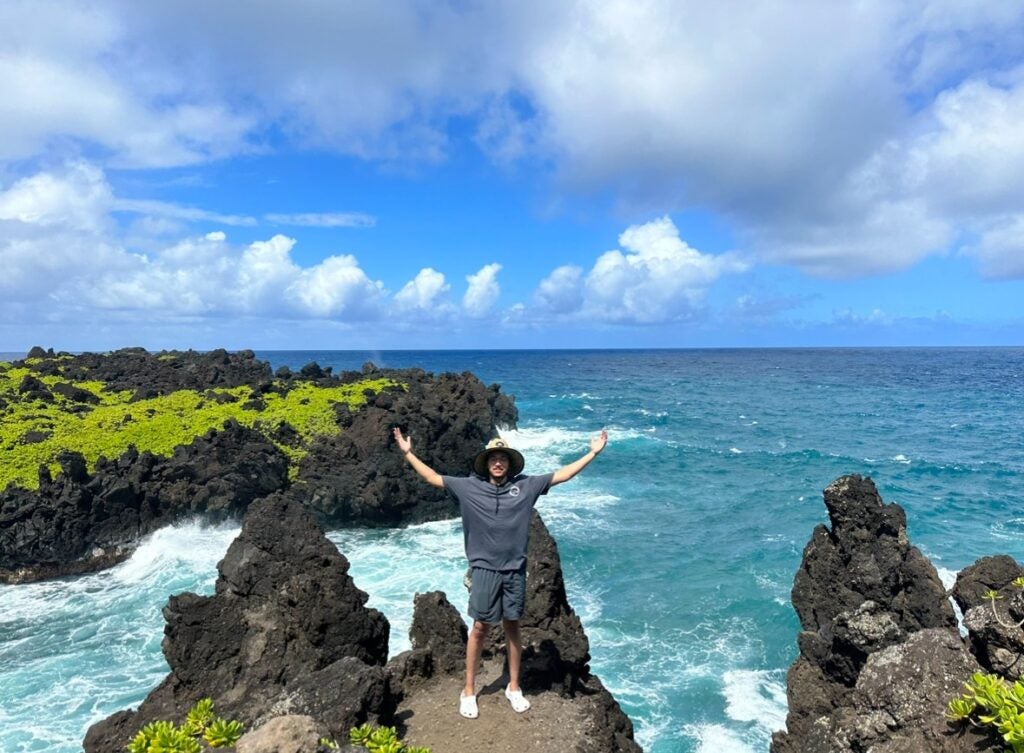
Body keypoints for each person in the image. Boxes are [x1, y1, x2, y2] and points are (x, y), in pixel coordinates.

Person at [392, 426, 608, 720]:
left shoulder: (526, 486)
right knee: (480, 628)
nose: (498, 462)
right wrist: (407, 453)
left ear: (509, 463)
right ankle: (468, 690)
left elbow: (563, 474)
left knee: (513, 627)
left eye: (503, 458)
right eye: (493, 458)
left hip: (515, 571)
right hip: (484, 569)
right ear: (486, 463)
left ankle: (513, 687)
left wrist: (592, 453)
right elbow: (432, 477)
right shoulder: (468, 487)